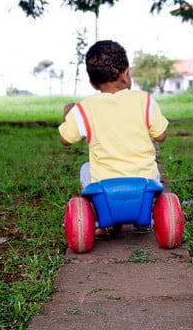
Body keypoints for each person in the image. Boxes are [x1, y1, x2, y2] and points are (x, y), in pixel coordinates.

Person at [59, 40, 168, 236]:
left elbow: (66, 139)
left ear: (92, 82)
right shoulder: (145, 100)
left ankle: (102, 220)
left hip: (105, 186)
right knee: (154, 167)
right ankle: (144, 218)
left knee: (86, 169)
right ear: (126, 73)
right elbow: (161, 136)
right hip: (144, 182)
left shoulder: (85, 108)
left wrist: (68, 114)